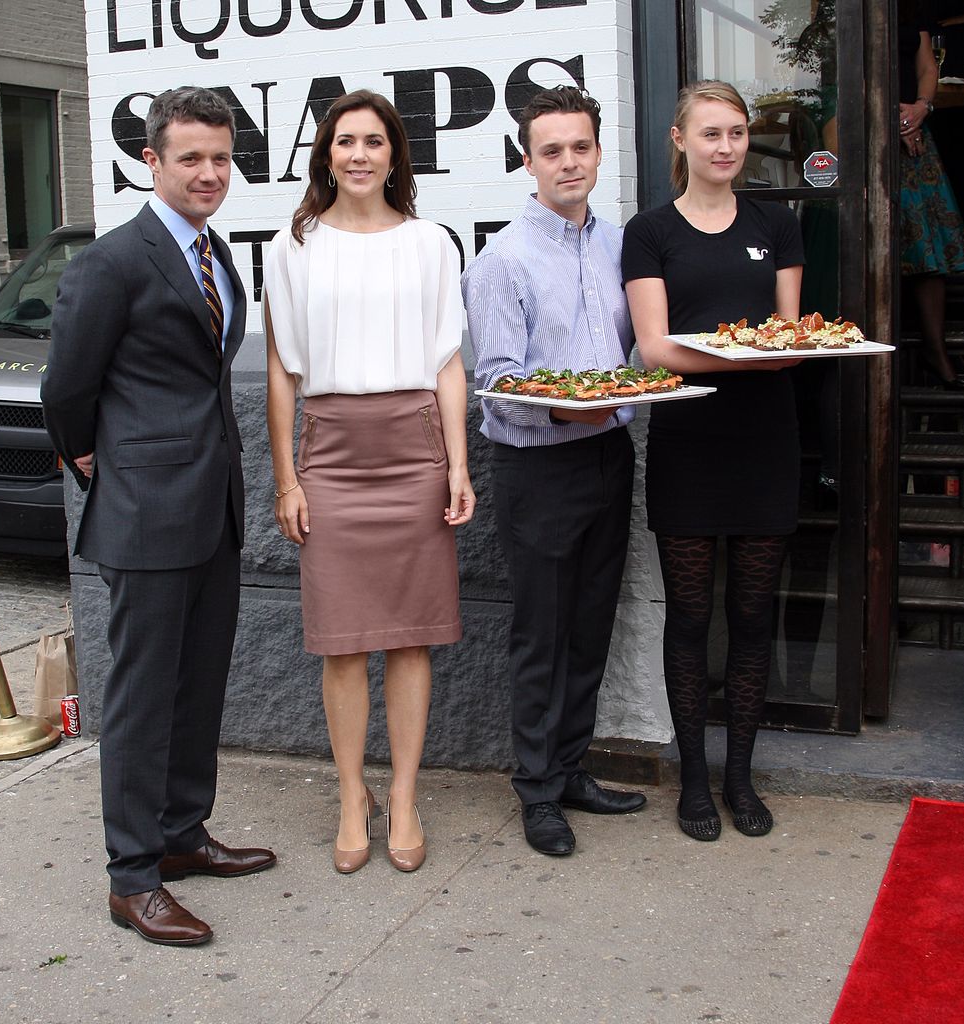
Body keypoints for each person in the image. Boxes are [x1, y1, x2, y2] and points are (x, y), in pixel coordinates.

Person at [41, 86, 275, 946]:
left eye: (220, 158)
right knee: (142, 698)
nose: (210, 173)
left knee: (199, 681)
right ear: (152, 161)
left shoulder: (211, 252)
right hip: (144, 511)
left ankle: (181, 836)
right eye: (191, 158)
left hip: (211, 507)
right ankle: (132, 875)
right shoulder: (112, 262)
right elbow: (65, 388)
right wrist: (90, 456)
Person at [263, 90, 475, 875]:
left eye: (373, 142)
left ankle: (407, 794)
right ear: (325, 155)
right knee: (343, 643)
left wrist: (456, 464)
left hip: (413, 446)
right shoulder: (293, 246)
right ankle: (352, 794)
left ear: (395, 155)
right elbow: (282, 375)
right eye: (344, 141)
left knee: (412, 635)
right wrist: (287, 478)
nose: (358, 154)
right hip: (332, 452)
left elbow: (447, 359)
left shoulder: (430, 244)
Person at [462, 85, 646, 858]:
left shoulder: (621, 249)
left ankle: (570, 770)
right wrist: (563, 410)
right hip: (538, 469)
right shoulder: (502, 260)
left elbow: (640, 348)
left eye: (579, 147)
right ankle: (536, 791)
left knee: (590, 626)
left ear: (598, 153)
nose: (567, 162)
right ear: (526, 159)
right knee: (541, 634)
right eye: (551, 150)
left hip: (609, 453)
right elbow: (498, 383)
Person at [621, 81, 804, 842]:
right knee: (689, 618)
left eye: (735, 133)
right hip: (687, 447)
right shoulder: (649, 231)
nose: (725, 146)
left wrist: (738, 356)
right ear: (679, 140)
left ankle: (740, 776)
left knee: (752, 617)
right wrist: (748, 354)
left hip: (765, 445)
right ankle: (693, 779)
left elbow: (791, 341)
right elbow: (654, 349)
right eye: (710, 133)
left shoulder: (777, 224)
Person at [898, 0, 964, 387]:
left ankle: (934, 350)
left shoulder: (910, 10)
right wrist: (888, 115)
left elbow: (927, 66)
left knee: (929, 249)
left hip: (915, 135)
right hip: (863, 132)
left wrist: (920, 109)